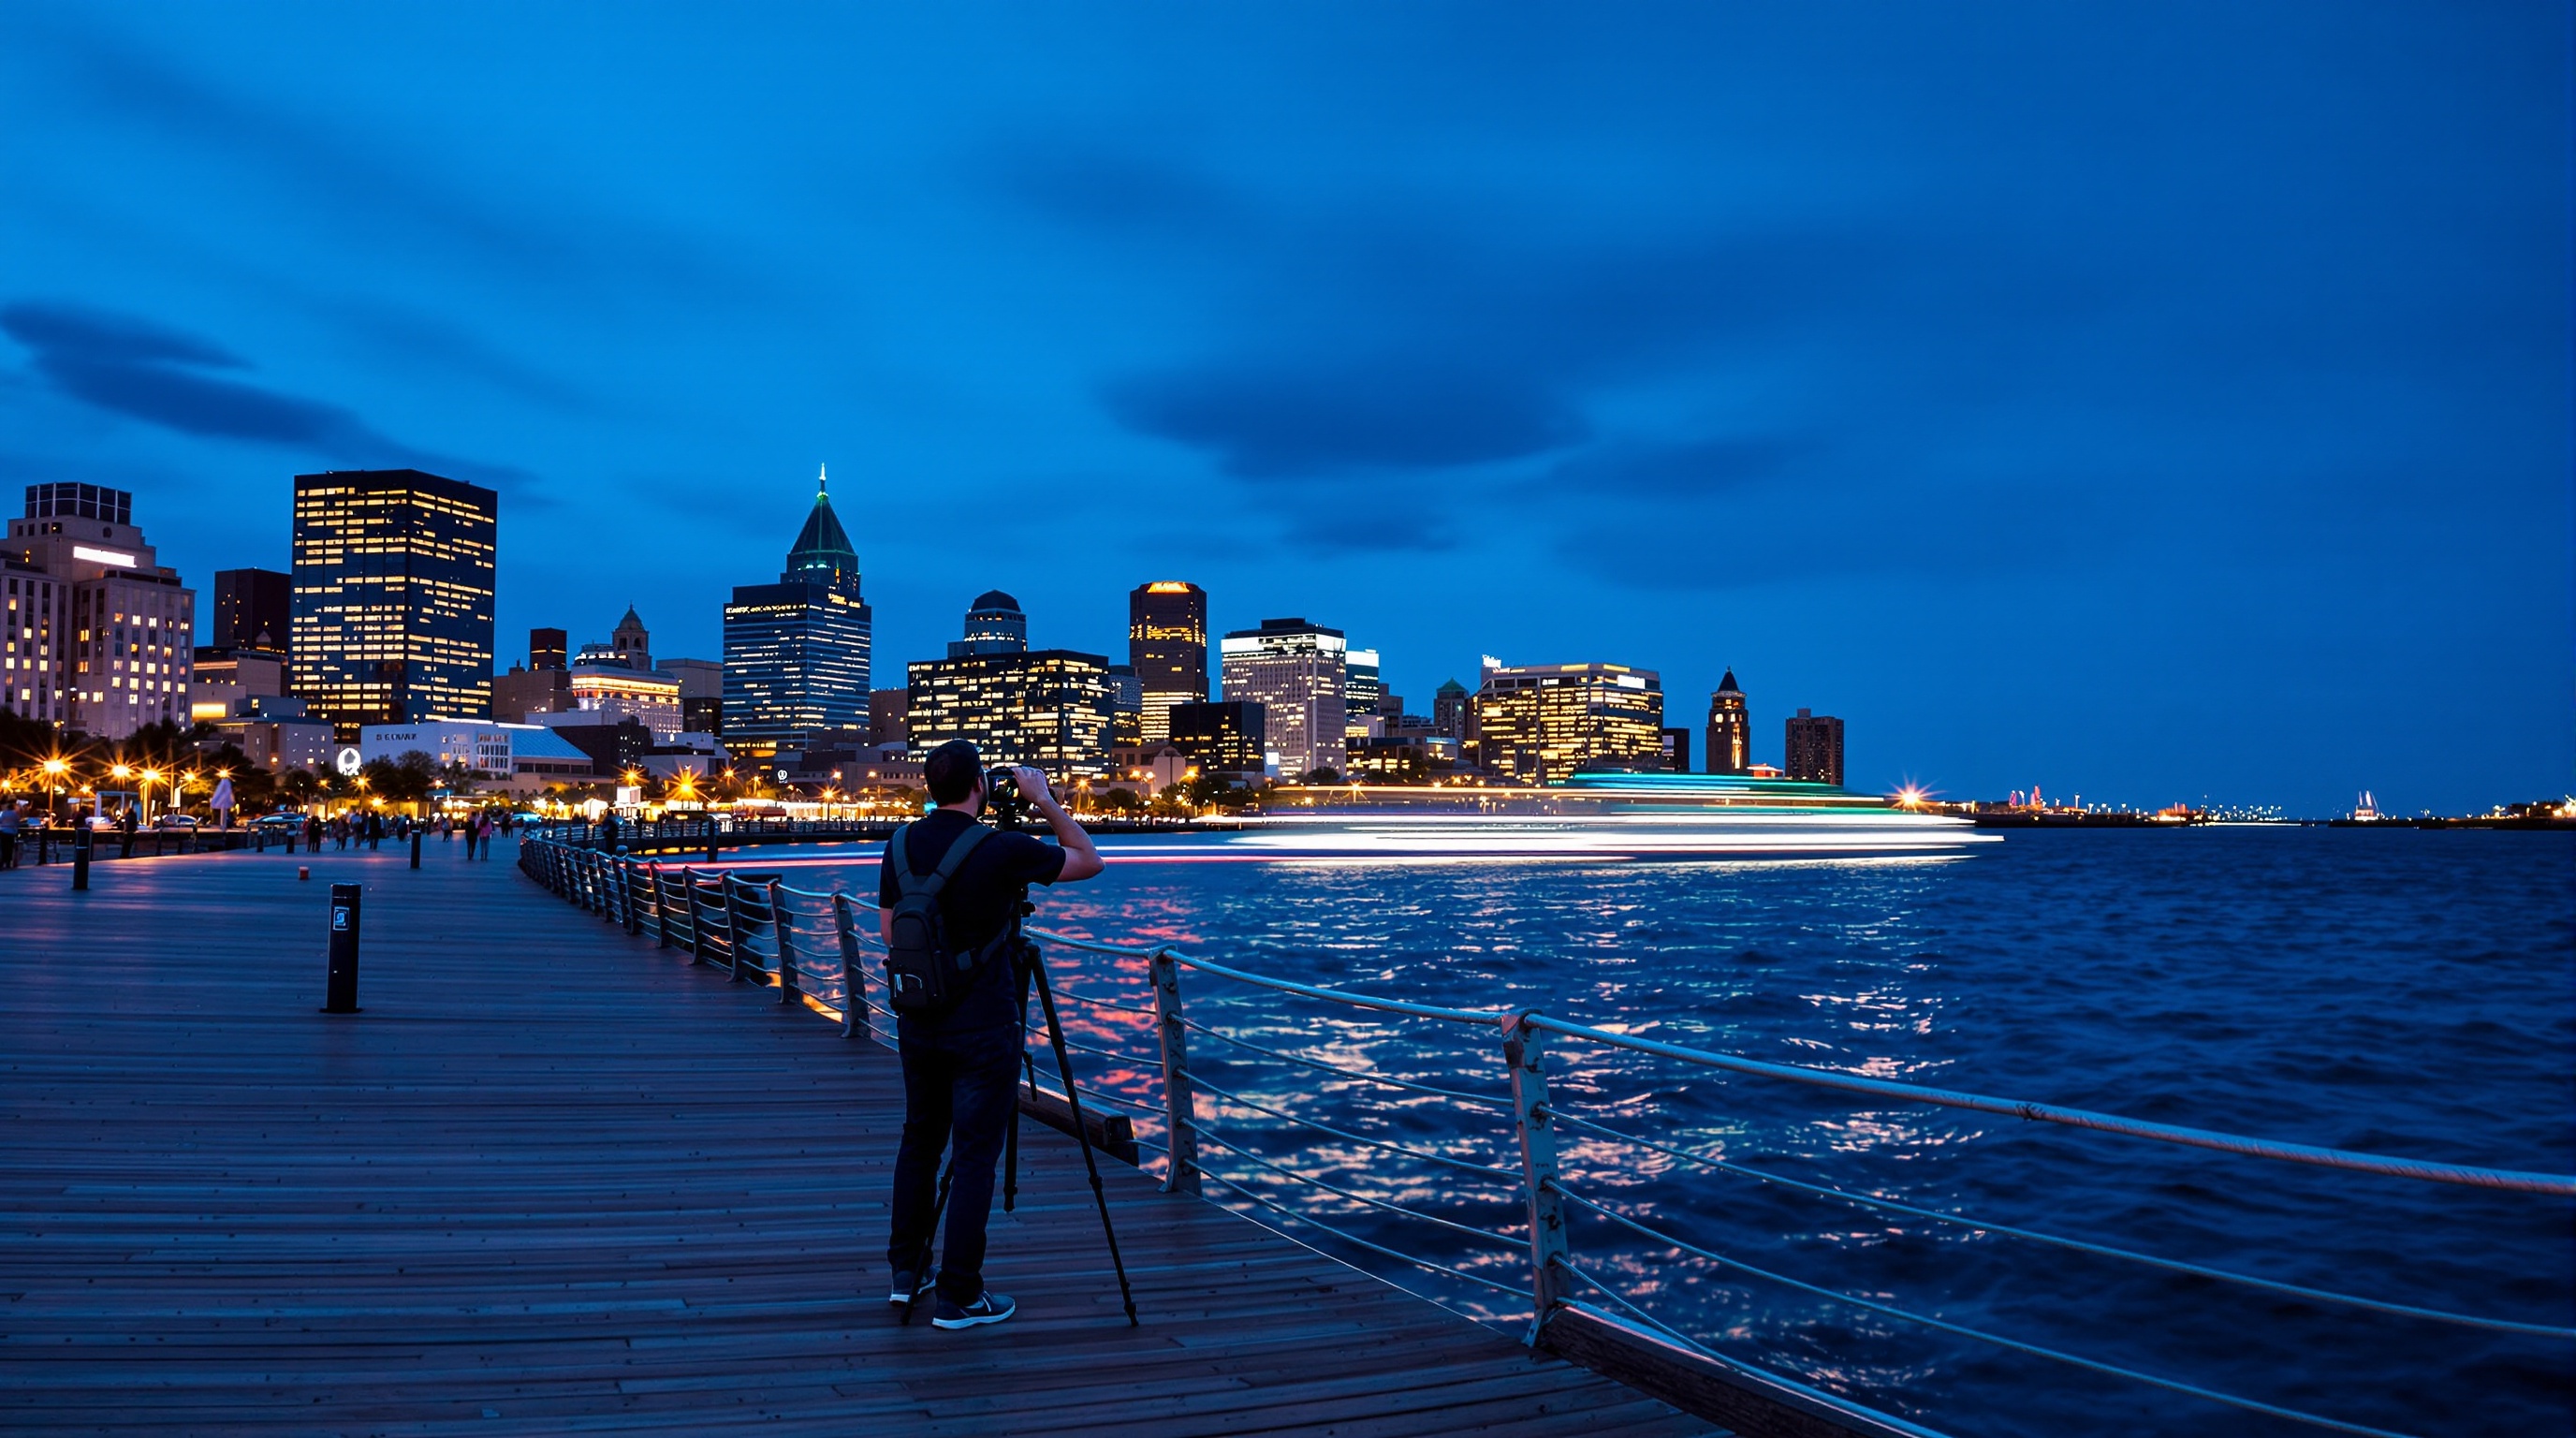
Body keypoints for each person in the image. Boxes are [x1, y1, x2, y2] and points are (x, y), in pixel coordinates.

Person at [879, 740, 1104, 1331]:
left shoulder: (899, 843)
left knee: (919, 1141)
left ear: (931, 788)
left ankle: (908, 1274)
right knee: (976, 1153)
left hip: (918, 1019)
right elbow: (1086, 858)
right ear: (980, 785)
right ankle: (959, 1295)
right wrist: (1045, 799)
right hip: (982, 1025)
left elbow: (887, 932)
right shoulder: (1002, 847)